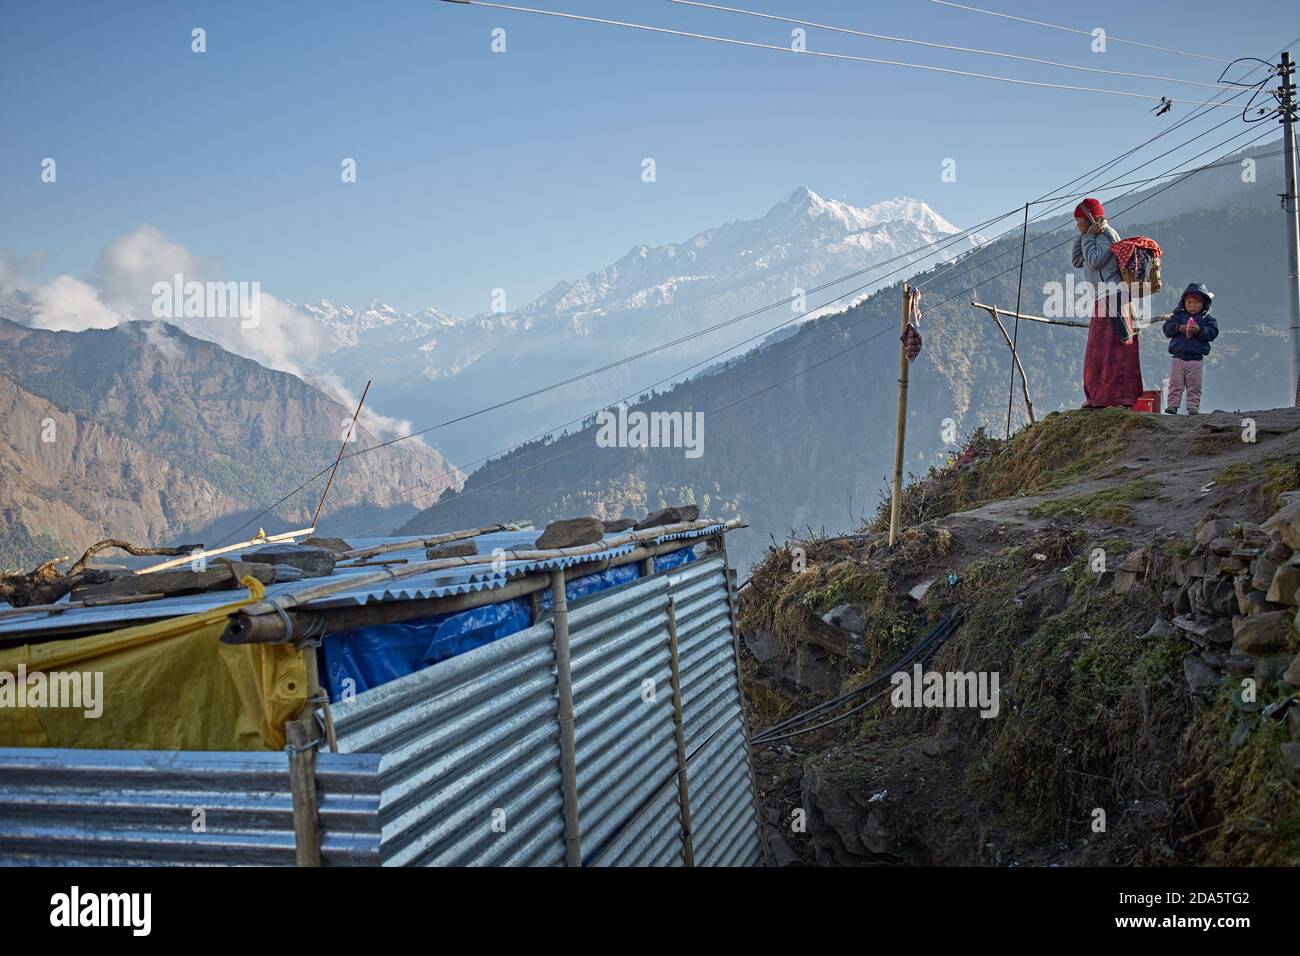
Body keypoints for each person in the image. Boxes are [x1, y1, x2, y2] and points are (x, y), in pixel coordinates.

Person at [1071, 198, 1144, 408]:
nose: (1077, 225)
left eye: (1080, 221)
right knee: (1099, 351)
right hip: (1103, 298)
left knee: (1111, 350)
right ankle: (1099, 396)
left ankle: (1118, 397)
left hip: (1112, 297)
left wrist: (1090, 236)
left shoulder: (1106, 235)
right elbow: (1077, 260)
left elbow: (1094, 260)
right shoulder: (1093, 235)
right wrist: (1085, 235)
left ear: (1091, 219)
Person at [1162, 283, 1218, 415]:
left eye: (1196, 303)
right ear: (1184, 302)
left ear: (1204, 304)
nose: (1192, 305)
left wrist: (1200, 331)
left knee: (1194, 386)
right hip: (1178, 358)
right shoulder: (1178, 317)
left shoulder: (1207, 320)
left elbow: (1213, 333)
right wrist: (1178, 328)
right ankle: (1172, 405)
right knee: (1175, 384)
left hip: (1196, 360)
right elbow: (1167, 328)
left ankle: (1193, 407)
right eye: (1189, 302)